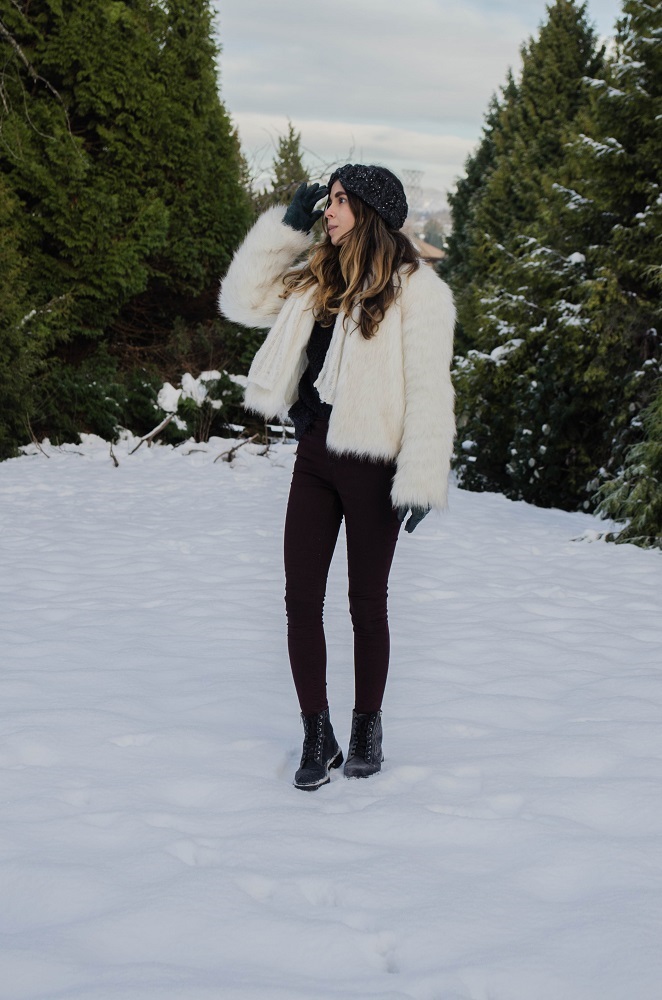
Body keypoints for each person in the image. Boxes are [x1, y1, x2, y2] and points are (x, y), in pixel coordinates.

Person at [219, 164, 455, 790]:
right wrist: (285, 231)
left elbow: (430, 388)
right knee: (300, 599)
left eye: (340, 202)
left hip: (374, 466)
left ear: (370, 212)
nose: (329, 210)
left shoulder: (417, 291)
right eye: (328, 201)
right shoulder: (318, 278)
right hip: (315, 456)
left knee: (366, 604)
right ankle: (315, 733)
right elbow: (243, 302)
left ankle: (366, 731)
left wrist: (422, 475)